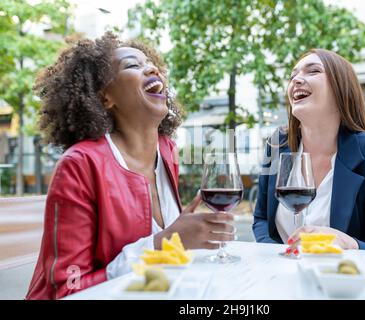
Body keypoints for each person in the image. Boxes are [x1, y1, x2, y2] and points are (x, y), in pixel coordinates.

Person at [26, 32, 235, 300]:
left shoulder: (167, 151)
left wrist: (192, 238)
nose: (152, 68)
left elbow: (160, 267)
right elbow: (69, 287)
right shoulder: (80, 165)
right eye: (132, 65)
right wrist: (162, 244)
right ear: (105, 98)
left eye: (151, 63)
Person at [252, 49, 365, 252]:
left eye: (312, 71)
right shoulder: (277, 145)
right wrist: (278, 255)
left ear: (341, 88)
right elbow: (261, 219)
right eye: (292, 75)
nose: (296, 80)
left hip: (341, 279)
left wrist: (349, 243)